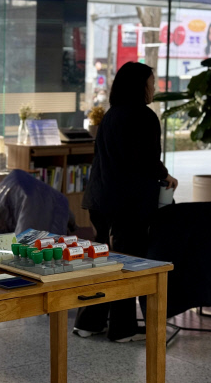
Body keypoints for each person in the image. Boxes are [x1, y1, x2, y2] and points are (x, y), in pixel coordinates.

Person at [74, 62, 178, 342]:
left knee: (105, 261)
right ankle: (122, 328)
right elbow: (144, 159)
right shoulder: (144, 116)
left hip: (100, 199)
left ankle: (89, 322)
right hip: (128, 203)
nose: (154, 87)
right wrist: (165, 176)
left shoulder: (111, 115)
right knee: (126, 263)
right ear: (139, 86)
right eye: (151, 82)